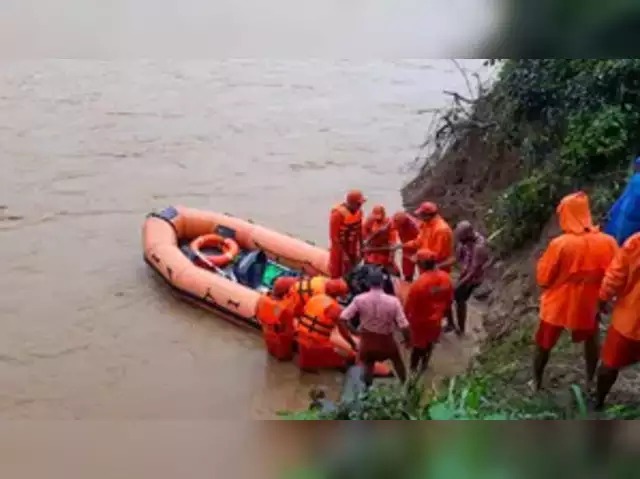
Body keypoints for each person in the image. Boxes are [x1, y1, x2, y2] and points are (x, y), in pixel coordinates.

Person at [532, 192, 618, 392]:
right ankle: (589, 380)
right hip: (591, 301)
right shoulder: (608, 242)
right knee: (592, 338)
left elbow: (544, 278)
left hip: (560, 302)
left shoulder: (560, 244)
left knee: (544, 342)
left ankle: (536, 382)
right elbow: (615, 273)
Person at [339, 268, 411, 387]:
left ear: (368, 283)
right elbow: (404, 325)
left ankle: (366, 389)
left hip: (367, 341)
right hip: (386, 342)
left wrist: (353, 332)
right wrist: (408, 340)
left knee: (367, 363)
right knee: (397, 362)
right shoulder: (393, 301)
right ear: (382, 284)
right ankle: (405, 386)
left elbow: (342, 319)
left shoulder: (359, 299)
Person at [594, 232, 640, 410]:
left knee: (609, 365)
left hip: (630, 321)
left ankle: (598, 403)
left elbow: (615, 277)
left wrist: (602, 300)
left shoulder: (635, 243)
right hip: (630, 320)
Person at [403, 201, 455, 330]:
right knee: (430, 296)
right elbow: (419, 241)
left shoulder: (441, 230)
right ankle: (435, 320)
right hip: (425, 265)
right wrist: (403, 245)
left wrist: (419, 258)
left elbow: (438, 254)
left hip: (438, 267)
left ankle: (450, 322)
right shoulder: (426, 225)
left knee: (441, 296)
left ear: (428, 215)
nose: (419, 217)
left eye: (421, 215)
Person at [404, 249, 454, 374]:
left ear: (422, 264)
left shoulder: (418, 284)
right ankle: (424, 365)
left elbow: (408, 307)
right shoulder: (446, 278)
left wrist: (405, 325)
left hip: (420, 322)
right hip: (437, 320)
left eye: (417, 263)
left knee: (417, 347)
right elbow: (449, 301)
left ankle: (413, 370)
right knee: (430, 343)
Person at [295, 279, 354, 371]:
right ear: (339, 294)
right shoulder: (334, 307)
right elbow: (344, 330)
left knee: (308, 367)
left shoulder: (314, 298)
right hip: (316, 343)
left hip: (301, 338)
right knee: (349, 356)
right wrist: (353, 344)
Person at [452, 220, 490, 336]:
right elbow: (460, 257)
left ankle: (461, 329)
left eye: (462, 240)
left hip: (474, 278)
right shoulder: (469, 239)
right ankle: (457, 324)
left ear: (468, 236)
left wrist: (458, 285)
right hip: (467, 271)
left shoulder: (479, 247)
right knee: (456, 295)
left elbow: (473, 272)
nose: (461, 243)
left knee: (459, 298)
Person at [256, 276, 298, 360]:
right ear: (287, 292)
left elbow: (258, 314)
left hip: (268, 335)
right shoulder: (285, 309)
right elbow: (289, 331)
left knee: (271, 356)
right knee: (284, 359)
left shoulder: (263, 299)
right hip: (281, 342)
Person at [329, 190, 366, 279]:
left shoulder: (359, 212)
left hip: (352, 246)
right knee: (337, 270)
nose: (360, 206)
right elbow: (334, 237)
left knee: (352, 267)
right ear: (352, 203)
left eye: (360, 203)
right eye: (358, 204)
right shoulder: (337, 215)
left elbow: (360, 230)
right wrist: (344, 254)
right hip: (339, 247)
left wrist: (361, 246)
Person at [605, 156, 640, 245]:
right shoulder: (636, 179)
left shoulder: (635, 179)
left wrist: (611, 211)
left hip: (625, 215)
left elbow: (624, 197)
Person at [361, 204, 400, 275]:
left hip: (384, 250)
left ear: (383, 214)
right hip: (372, 249)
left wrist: (391, 257)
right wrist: (365, 253)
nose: (377, 219)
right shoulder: (369, 221)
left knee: (393, 270)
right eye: (375, 217)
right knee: (367, 267)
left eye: (379, 217)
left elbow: (393, 242)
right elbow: (363, 237)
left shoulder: (389, 223)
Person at [391, 211, 421, 282]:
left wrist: (401, 245)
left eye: (399, 225)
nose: (397, 227)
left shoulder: (415, 226)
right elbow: (391, 230)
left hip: (417, 248)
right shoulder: (394, 220)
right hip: (406, 248)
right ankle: (408, 282)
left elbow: (421, 240)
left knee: (423, 271)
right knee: (407, 272)